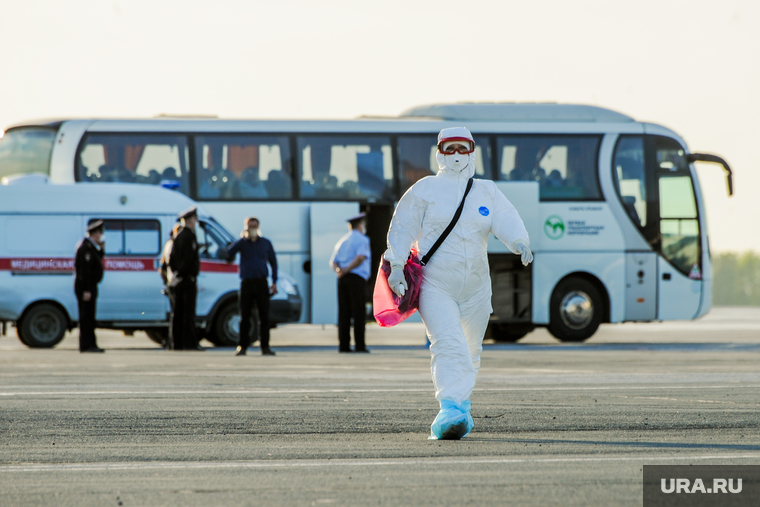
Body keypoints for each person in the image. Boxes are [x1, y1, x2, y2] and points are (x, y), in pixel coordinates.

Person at [385, 127, 533, 440]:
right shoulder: (424, 190)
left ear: (472, 152)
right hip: (437, 285)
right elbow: (401, 228)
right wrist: (396, 265)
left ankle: (461, 409)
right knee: (447, 343)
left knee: (470, 349)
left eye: (462, 148)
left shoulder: (486, 191)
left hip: (477, 288)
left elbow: (506, 217)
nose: (455, 155)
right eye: (449, 148)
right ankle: (449, 407)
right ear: (438, 153)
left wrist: (520, 241)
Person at [225, 216, 278, 356]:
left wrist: (274, 281)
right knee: (244, 316)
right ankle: (242, 346)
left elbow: (273, 262)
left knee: (264, 317)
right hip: (247, 283)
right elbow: (229, 253)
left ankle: (265, 347)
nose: (252, 230)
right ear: (246, 228)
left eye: (254, 227)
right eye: (250, 227)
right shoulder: (242, 243)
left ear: (258, 227)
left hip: (261, 283)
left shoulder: (265, 243)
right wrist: (239, 240)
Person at [329, 213, 371, 353]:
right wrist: (347, 269)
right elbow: (360, 258)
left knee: (344, 312)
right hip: (356, 278)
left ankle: (344, 346)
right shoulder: (362, 240)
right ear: (360, 225)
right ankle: (360, 345)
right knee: (358, 312)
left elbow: (333, 262)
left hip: (342, 279)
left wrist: (339, 271)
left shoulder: (343, 240)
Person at [168, 207, 202, 351]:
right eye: (194, 219)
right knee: (188, 313)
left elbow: (172, 259)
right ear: (190, 220)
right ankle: (189, 343)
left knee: (178, 312)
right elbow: (188, 259)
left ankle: (177, 343)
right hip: (187, 279)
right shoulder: (188, 236)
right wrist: (182, 274)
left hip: (180, 279)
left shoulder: (179, 236)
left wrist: (176, 274)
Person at [74, 220, 106, 353]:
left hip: (90, 286)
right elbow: (84, 272)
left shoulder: (92, 247)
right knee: (86, 317)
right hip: (86, 287)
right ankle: (86, 345)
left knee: (90, 317)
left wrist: (102, 249)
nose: (101, 236)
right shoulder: (86, 248)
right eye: (99, 233)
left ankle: (91, 343)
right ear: (95, 233)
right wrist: (86, 290)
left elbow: (97, 260)